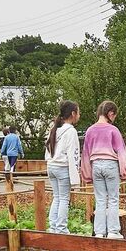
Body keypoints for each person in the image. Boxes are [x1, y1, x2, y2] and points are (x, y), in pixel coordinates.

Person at [80, 101, 126, 239]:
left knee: (100, 199)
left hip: (95, 165)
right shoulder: (113, 130)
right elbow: (121, 151)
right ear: (111, 113)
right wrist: (124, 171)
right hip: (110, 164)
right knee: (113, 198)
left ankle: (99, 232)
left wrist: (86, 173)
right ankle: (113, 231)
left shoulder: (90, 130)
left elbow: (85, 153)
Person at [45, 100, 81, 234]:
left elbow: (47, 150)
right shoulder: (70, 131)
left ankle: (53, 226)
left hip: (52, 165)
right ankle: (61, 228)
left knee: (57, 197)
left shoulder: (55, 129)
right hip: (62, 167)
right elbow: (73, 154)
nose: (79, 115)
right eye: (78, 112)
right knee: (64, 199)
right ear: (73, 114)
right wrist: (75, 175)